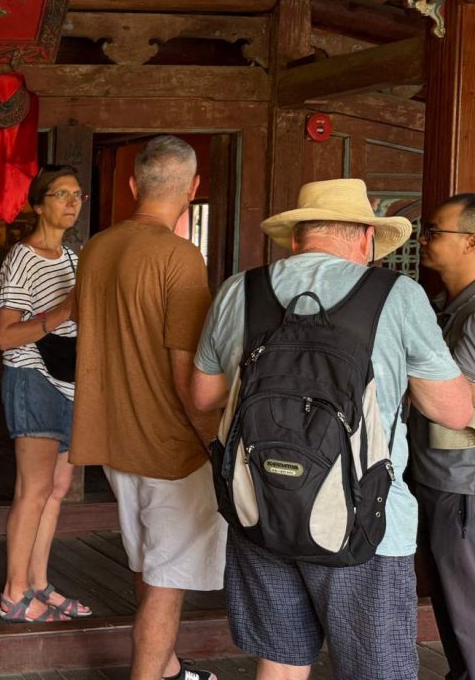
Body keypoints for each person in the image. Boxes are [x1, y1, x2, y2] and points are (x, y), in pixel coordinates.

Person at [192, 179, 475, 680]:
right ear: (366, 238)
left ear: (297, 237)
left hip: (259, 506)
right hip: (368, 521)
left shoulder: (241, 288)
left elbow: (204, 397)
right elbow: (452, 411)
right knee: (376, 670)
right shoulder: (398, 295)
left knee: (280, 660)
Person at [71, 135, 223, 680]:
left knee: (149, 563)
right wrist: (215, 440)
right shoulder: (180, 257)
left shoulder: (95, 247)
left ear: (133, 184)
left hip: (113, 437)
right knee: (167, 578)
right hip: (171, 446)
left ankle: (167, 669)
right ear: (193, 188)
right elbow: (188, 375)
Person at [0, 165, 93, 623]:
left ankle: (38, 582)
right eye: (60, 194)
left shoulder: (75, 258)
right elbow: (5, 337)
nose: (71, 202)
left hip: (69, 377)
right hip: (32, 375)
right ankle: (14, 593)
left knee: (56, 488)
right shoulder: (22, 256)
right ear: (38, 204)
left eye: (77, 194)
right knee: (33, 489)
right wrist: (64, 309)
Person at [412, 193, 475, 680]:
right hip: (433, 476)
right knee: (451, 606)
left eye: (435, 231)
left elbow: (451, 401)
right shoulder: (440, 304)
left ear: (471, 242)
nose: (424, 239)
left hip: (464, 485)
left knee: (468, 609)